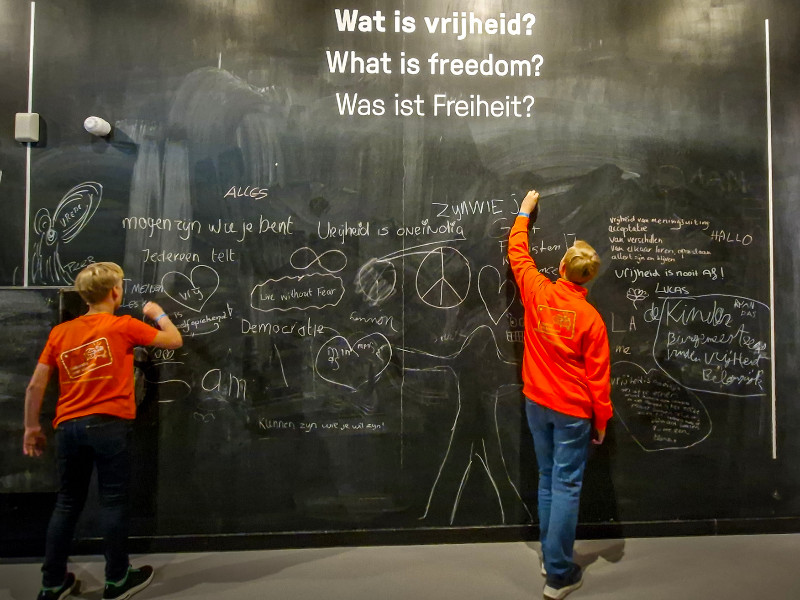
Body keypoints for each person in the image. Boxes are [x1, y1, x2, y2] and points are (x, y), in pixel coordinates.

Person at [23, 262, 183, 600]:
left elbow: (36, 384)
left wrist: (31, 427)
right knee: (113, 503)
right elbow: (173, 340)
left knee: (66, 504)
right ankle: (117, 579)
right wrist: (157, 313)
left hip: (68, 427)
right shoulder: (122, 326)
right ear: (115, 292)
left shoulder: (60, 333)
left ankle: (51, 584)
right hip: (110, 426)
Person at [508, 190, 612, 600]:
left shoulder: (538, 291)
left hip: (537, 403)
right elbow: (598, 379)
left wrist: (524, 213)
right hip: (573, 411)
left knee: (548, 479)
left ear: (563, 267)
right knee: (567, 484)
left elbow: (518, 253)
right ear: (588, 278)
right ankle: (558, 572)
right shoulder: (591, 319)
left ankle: (552, 559)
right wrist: (601, 421)